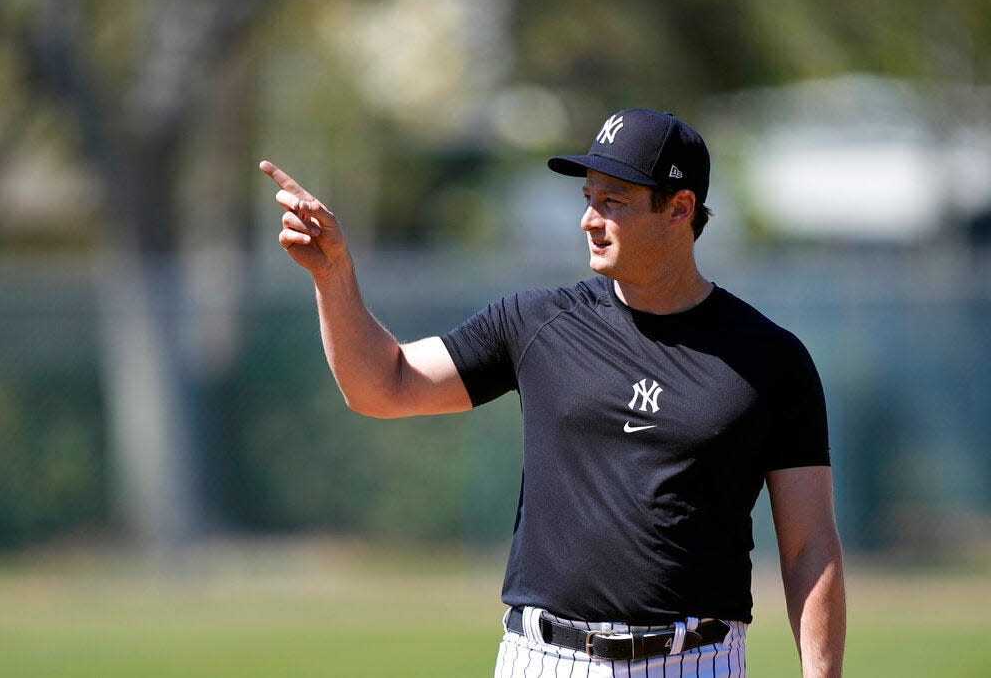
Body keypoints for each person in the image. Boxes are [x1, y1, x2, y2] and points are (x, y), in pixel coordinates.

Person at [261, 108, 846, 678]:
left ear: (680, 208)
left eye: (613, 201)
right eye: (588, 198)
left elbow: (808, 546)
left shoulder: (771, 359)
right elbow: (382, 386)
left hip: (698, 661)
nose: (589, 219)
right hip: (546, 660)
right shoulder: (536, 322)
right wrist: (332, 275)